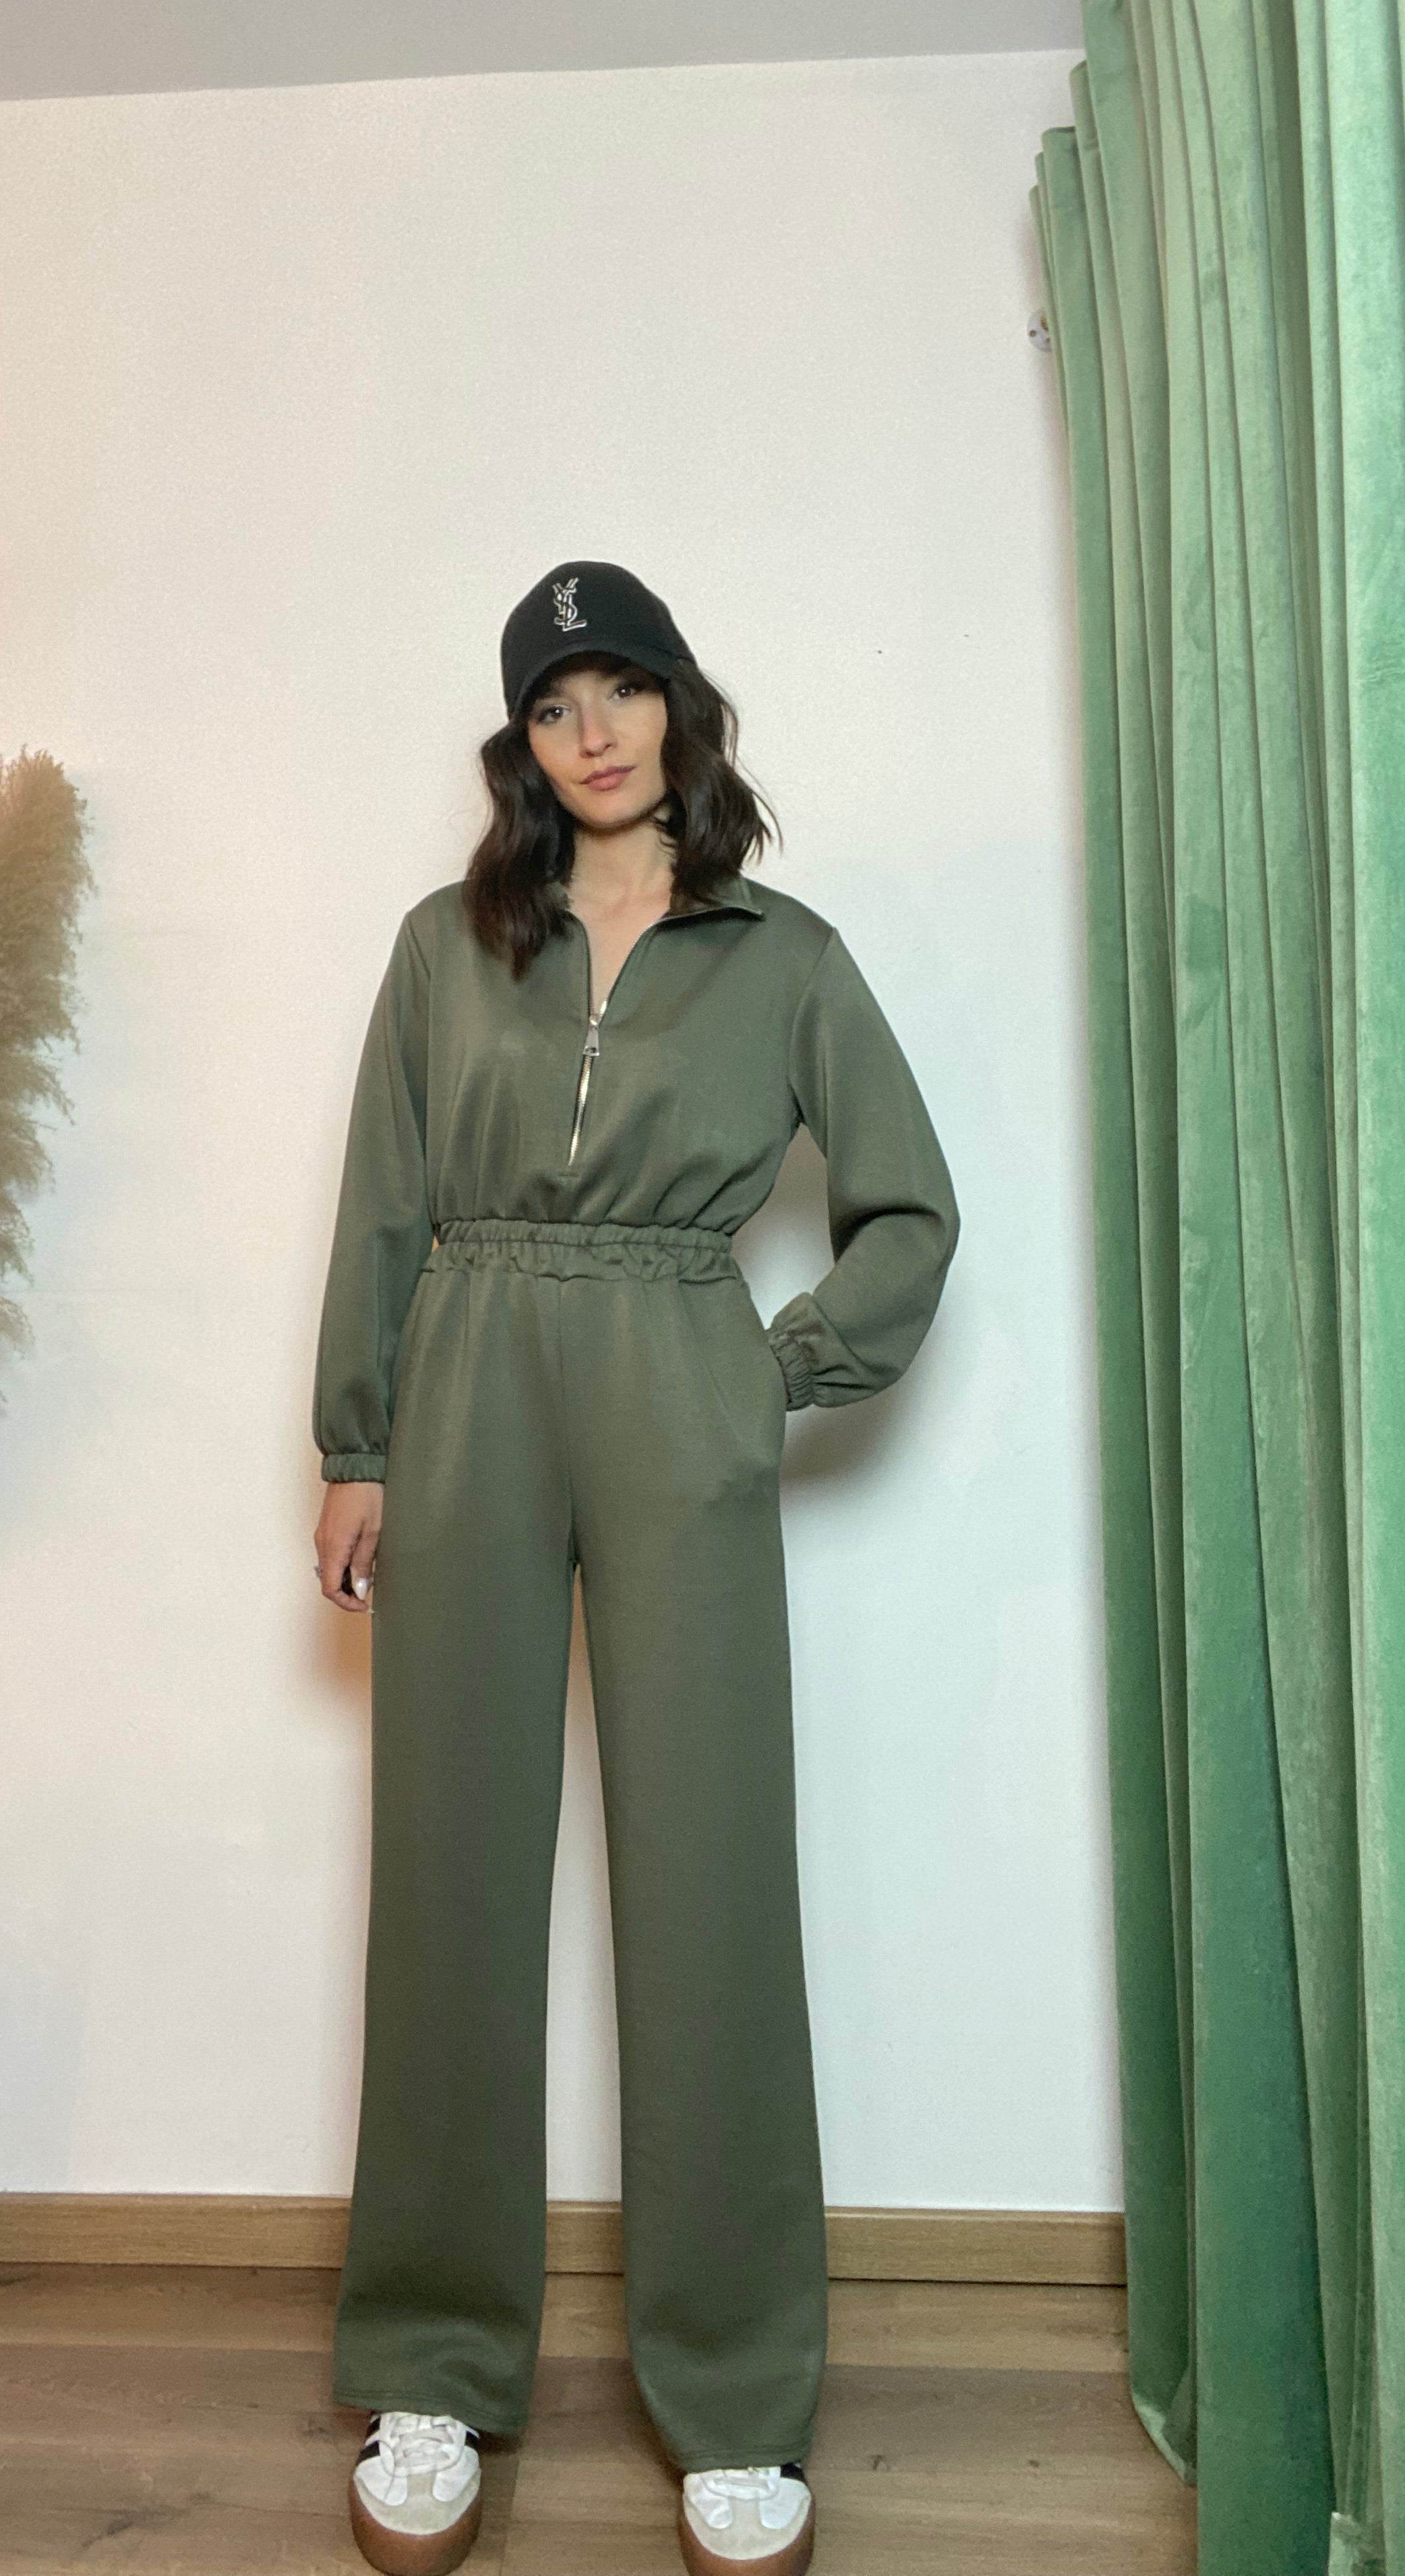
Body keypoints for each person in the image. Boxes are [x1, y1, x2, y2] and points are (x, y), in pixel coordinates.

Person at [311, 559, 960, 2576]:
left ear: (680, 708)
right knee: (448, 1873)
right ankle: (431, 2363)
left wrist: (773, 1372)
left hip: (680, 1374)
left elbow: (909, 1210)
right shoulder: (446, 946)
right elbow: (387, 1200)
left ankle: (738, 2392)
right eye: (552, 703)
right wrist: (356, 1441)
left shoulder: (786, 955)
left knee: (711, 1885)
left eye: (622, 688)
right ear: (521, 744)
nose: (591, 731)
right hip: (469, 1375)